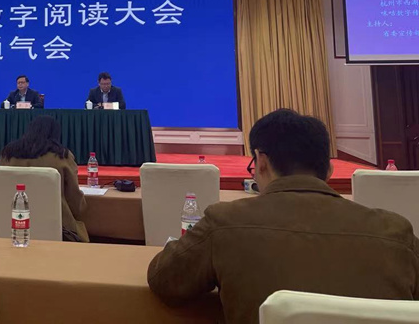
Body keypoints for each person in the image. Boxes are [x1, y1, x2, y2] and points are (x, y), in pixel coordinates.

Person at [147, 108, 419, 324]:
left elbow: (164, 280)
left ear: (262, 163)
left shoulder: (225, 221)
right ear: (329, 170)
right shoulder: (396, 233)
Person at [0, 115, 88, 242]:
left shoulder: (7, 154)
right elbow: (76, 204)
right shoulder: (62, 156)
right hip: (60, 231)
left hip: (12, 225)